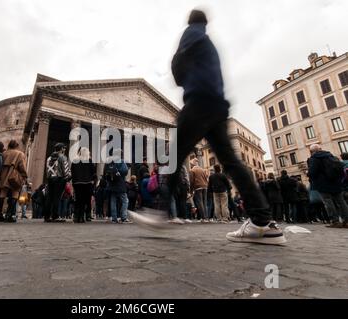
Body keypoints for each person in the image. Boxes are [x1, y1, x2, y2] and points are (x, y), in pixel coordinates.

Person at [130, 10, 285, 244]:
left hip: (199, 101)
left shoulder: (192, 33)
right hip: (217, 106)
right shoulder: (209, 43)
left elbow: (179, 63)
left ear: (191, 21)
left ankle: (159, 213)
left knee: (174, 156)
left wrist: (179, 73)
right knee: (232, 163)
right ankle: (263, 222)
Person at [307, 144, 348, 228]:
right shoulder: (331, 156)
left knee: (328, 202)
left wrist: (308, 174)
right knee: (341, 202)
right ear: (321, 149)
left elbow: (312, 172)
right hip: (336, 183)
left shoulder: (314, 158)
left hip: (323, 184)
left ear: (312, 151)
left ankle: (335, 221)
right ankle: (346, 220)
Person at [0, 140, 28, 223]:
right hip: (14, 175)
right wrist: (24, 175)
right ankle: (10, 215)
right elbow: (22, 166)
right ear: (17, 146)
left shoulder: (4, 153)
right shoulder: (19, 154)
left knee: (2, 193)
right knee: (15, 193)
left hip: (3, 175)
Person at [45, 143, 71, 223]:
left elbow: (47, 169)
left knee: (49, 197)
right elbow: (66, 170)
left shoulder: (49, 158)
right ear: (61, 149)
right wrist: (67, 178)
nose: (65, 149)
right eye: (64, 148)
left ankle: (47, 216)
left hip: (50, 179)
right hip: (59, 179)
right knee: (57, 198)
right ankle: (55, 216)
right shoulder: (63, 157)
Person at [104, 148, 130, 224]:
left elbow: (105, 172)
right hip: (120, 183)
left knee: (113, 201)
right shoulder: (121, 161)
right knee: (125, 200)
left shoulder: (109, 161)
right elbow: (125, 171)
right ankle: (124, 217)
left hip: (111, 184)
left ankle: (114, 218)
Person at [71, 147, 96, 223]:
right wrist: (92, 180)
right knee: (84, 201)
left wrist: (74, 182)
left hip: (77, 183)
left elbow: (72, 172)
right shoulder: (90, 160)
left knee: (78, 200)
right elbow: (93, 171)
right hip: (87, 183)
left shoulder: (75, 160)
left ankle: (76, 217)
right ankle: (81, 217)